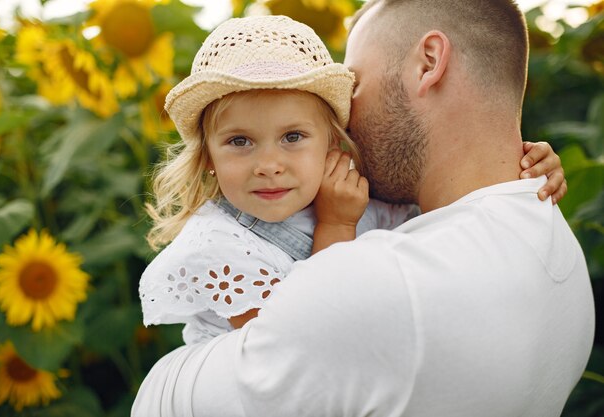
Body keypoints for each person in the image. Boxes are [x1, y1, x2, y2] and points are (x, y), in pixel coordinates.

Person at [132, 2, 593, 416]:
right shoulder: (555, 247)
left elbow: (167, 399)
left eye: (354, 84)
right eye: (239, 141)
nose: (346, 116)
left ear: (429, 63)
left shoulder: (380, 286)